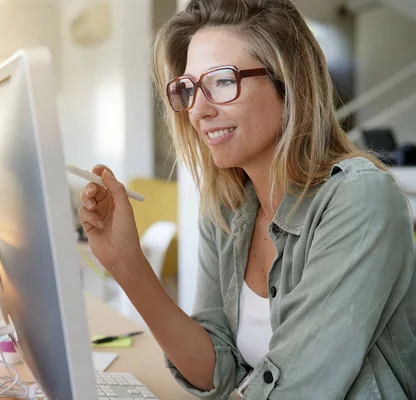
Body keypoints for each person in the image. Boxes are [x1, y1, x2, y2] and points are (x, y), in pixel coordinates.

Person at [77, 0, 416, 398]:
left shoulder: (360, 201)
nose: (198, 110)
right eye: (188, 88)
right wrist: (126, 264)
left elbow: (299, 388)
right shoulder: (227, 207)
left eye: (222, 80)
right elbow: (215, 371)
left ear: (289, 85)